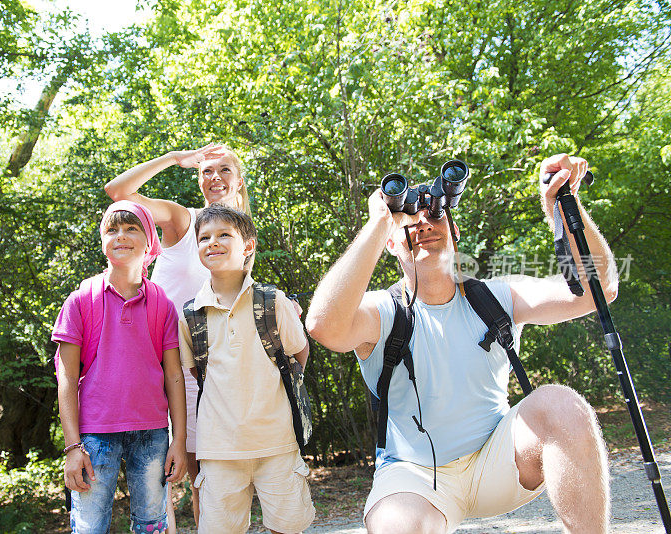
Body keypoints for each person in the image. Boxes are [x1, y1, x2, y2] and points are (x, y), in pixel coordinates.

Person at [306, 154, 616, 534]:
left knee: (562, 404)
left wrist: (562, 209)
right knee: (396, 526)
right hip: (414, 474)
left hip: (497, 461)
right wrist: (379, 221)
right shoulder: (383, 311)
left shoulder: (496, 297)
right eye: (409, 221)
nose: (423, 223)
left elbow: (595, 291)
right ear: (389, 243)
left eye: (435, 214)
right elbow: (323, 326)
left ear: (455, 232)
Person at [104, 143, 250, 527]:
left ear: (239, 179)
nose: (214, 177)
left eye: (224, 170)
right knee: (158, 463)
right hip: (154, 354)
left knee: (204, 465)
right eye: (206, 171)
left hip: (206, 360)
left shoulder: (241, 239)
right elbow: (119, 194)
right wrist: (172, 159)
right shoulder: (184, 220)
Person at [178, 204, 315, 534]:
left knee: (287, 526)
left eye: (225, 234)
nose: (213, 242)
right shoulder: (190, 315)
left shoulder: (273, 301)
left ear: (248, 246)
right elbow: (199, 373)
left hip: (277, 443)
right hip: (219, 450)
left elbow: (298, 355)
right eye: (204, 237)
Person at [53, 200, 187, 534]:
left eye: (131, 229)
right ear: (102, 241)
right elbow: (66, 376)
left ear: (149, 242)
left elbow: (173, 374)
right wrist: (72, 447)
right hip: (94, 435)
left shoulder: (161, 304)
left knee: (152, 525)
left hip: (152, 432)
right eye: (112, 229)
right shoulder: (81, 300)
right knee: (89, 527)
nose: (121, 236)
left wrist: (179, 439)